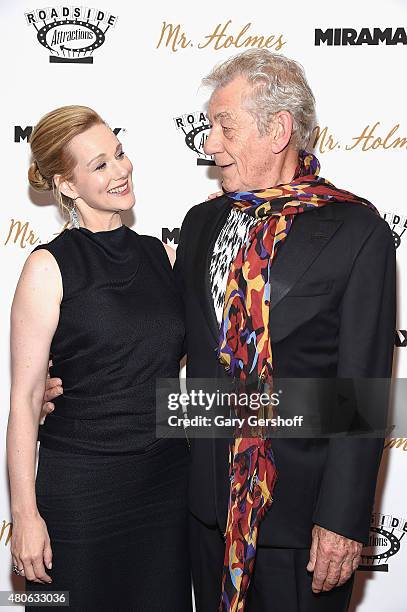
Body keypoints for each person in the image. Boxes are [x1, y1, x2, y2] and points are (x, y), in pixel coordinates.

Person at [42, 51, 396, 611]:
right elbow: (157, 339)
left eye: (222, 126)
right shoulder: (202, 222)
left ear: (278, 130)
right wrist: (64, 386)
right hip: (202, 511)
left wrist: (343, 521)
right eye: (209, 126)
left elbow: (361, 390)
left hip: (301, 524)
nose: (208, 143)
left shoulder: (358, 232)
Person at [7, 106, 192, 611]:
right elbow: (24, 400)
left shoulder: (163, 256)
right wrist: (25, 517)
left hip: (166, 483)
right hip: (82, 491)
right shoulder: (48, 266)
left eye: (120, 154)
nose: (121, 170)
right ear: (66, 185)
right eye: (99, 165)